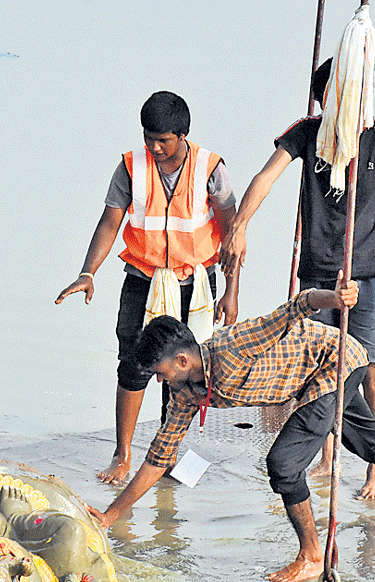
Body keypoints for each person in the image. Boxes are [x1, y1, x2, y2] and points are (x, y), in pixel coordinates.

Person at [85, 277, 375, 582]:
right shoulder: (185, 391)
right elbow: (159, 457)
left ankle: (312, 555)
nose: (159, 381)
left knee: (283, 464)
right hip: (310, 381)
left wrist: (334, 298)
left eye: (161, 372)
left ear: (183, 359)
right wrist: (111, 515)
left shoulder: (233, 347)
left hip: (335, 363)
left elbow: (297, 307)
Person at [223, 58, 375, 501]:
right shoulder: (307, 133)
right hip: (318, 277)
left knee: (370, 370)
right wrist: (239, 227)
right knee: (316, 368)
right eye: (337, 94)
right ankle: (326, 454)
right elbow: (265, 177)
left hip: (371, 275)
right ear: (324, 98)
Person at [56, 91, 239, 485]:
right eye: (148, 137)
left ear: (183, 135)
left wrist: (232, 291)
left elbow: (232, 232)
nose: (154, 147)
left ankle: (167, 454)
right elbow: (109, 222)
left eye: (163, 140)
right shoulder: (130, 168)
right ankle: (123, 456)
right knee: (134, 365)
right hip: (143, 278)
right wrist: (88, 272)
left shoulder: (211, 168)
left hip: (196, 284)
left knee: (184, 371)